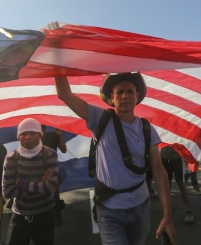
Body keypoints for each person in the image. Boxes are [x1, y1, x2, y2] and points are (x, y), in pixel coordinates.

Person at [55, 72, 176, 245]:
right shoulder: (100, 118)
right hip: (110, 210)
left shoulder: (147, 128)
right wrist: (56, 62)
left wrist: (168, 215)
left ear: (137, 96)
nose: (124, 96)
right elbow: (64, 94)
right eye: (119, 92)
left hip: (141, 207)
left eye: (129, 91)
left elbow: (158, 170)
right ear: (112, 97)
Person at [3, 118, 59, 245]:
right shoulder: (11, 158)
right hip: (19, 216)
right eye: (23, 133)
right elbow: (7, 191)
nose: (27, 137)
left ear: (40, 134)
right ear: (18, 136)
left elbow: (50, 188)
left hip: (44, 216)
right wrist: (39, 183)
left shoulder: (50, 154)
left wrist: (21, 183)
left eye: (32, 133)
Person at [160, 145, 194, 223]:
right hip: (163, 157)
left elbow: (184, 139)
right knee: (166, 182)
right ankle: (168, 207)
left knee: (181, 184)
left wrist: (187, 155)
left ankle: (188, 210)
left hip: (177, 158)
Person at [41, 125, 67, 226]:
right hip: (38, 171)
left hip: (52, 171)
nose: (41, 133)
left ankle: (57, 214)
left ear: (45, 130)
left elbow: (64, 150)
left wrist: (59, 136)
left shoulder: (52, 136)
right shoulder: (33, 139)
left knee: (54, 194)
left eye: (42, 130)